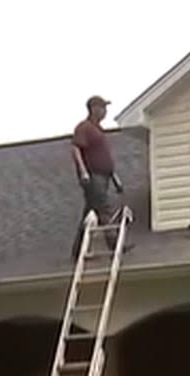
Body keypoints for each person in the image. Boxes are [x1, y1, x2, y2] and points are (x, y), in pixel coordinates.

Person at [71, 95, 132, 261]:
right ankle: (114, 243)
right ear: (93, 109)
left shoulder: (99, 131)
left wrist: (115, 179)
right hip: (93, 176)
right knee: (104, 208)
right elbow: (76, 149)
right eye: (102, 108)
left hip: (105, 176)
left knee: (90, 212)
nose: (105, 111)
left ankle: (77, 251)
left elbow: (105, 158)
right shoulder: (84, 127)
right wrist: (83, 172)